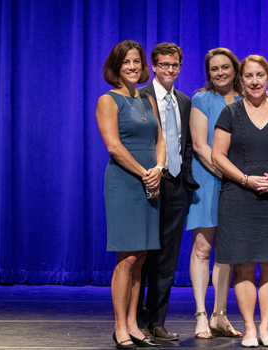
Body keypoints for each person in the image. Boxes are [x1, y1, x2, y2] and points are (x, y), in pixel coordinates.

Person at [211, 55, 268, 348]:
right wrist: (245, 180)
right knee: (244, 265)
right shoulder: (230, 113)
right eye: (249, 76)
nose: (254, 81)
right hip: (240, 197)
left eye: (260, 76)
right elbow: (217, 155)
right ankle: (249, 328)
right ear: (241, 80)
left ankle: (265, 328)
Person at [96, 40, 164, 350]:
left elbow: (160, 139)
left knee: (142, 257)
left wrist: (158, 169)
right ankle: (119, 326)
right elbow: (113, 146)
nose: (133, 67)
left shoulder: (147, 99)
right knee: (127, 258)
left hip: (152, 183)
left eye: (136, 61)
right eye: (126, 62)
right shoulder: (108, 100)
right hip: (125, 183)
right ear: (116, 66)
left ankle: (134, 324)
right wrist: (143, 172)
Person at [136, 42, 199, 343]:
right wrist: (149, 174)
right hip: (147, 184)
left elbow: (185, 145)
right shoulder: (139, 97)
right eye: (163, 65)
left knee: (167, 259)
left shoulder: (184, 101)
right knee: (141, 255)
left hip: (175, 186)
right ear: (154, 66)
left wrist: (185, 179)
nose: (169, 70)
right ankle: (136, 321)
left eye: (174, 65)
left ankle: (157, 322)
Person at [186, 48, 243, 339]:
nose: (219, 73)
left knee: (227, 251)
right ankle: (200, 314)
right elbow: (199, 144)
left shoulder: (249, 100)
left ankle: (220, 315)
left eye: (224, 67)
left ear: (235, 69)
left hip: (239, 185)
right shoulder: (201, 99)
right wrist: (230, 174)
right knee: (202, 248)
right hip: (209, 179)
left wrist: (240, 179)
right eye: (213, 69)